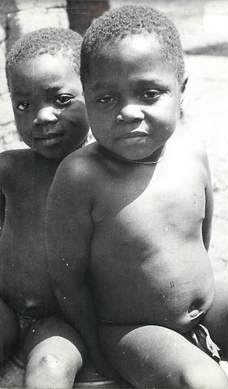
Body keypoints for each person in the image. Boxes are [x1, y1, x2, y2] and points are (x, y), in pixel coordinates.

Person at [46, 6, 228, 389]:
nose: (128, 111)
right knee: (204, 381)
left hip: (205, 312)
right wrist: (96, 350)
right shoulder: (81, 175)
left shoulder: (191, 152)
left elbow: (200, 235)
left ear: (181, 90)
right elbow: (67, 279)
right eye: (105, 99)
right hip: (133, 330)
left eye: (149, 93)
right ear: (86, 97)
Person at [0, 27, 90, 388]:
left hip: (61, 321)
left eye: (61, 99)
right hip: (5, 306)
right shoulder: (9, 169)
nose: (42, 116)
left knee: (50, 367)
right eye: (23, 105)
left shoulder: (106, 172)